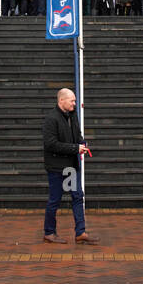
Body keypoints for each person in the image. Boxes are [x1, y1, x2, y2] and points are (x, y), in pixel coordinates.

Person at [43, 88, 99, 244]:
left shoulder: (73, 116)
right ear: (61, 100)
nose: (74, 103)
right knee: (55, 199)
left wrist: (81, 143)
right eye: (72, 100)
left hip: (71, 166)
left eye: (74, 100)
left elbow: (77, 136)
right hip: (56, 167)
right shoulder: (51, 119)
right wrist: (75, 148)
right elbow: (51, 144)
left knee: (77, 197)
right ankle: (49, 232)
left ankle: (80, 232)